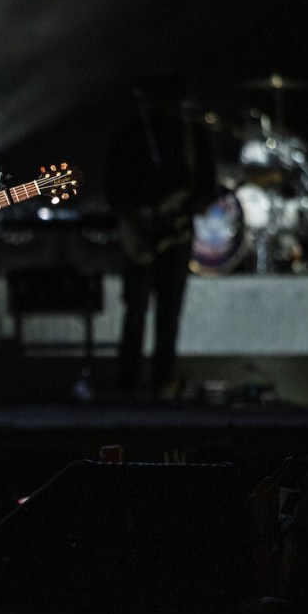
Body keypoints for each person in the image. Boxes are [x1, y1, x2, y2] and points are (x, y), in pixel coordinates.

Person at [105, 78, 215, 403]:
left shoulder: (192, 136)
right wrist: (135, 213)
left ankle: (161, 381)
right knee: (137, 308)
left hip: (175, 233)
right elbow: (113, 183)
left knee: (168, 310)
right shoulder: (132, 134)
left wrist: (187, 209)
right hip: (140, 231)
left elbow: (206, 184)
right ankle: (129, 383)